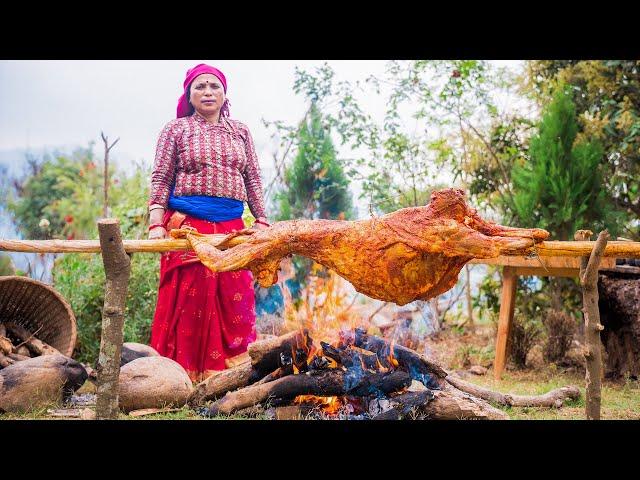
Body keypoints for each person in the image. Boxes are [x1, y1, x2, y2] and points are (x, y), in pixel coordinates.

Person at [147, 63, 270, 382]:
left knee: (235, 297)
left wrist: (262, 219)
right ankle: (180, 379)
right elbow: (161, 176)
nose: (207, 92)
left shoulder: (240, 131)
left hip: (232, 227)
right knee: (192, 301)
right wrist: (156, 222)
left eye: (214, 86)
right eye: (200, 86)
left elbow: (252, 178)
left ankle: (235, 377)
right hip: (189, 226)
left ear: (224, 93)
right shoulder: (176, 130)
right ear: (189, 94)